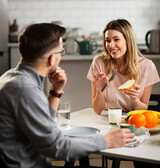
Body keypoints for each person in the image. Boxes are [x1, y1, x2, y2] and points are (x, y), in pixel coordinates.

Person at [0, 23, 134, 168]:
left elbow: (44, 122)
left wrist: (55, 91)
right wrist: (106, 141)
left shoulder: (13, 77)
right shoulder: (25, 89)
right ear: (52, 59)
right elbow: (58, 147)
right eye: (61, 52)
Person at [87, 19, 160, 115]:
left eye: (116, 39)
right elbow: (97, 110)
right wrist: (100, 91)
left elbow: (143, 109)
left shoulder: (147, 66)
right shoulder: (99, 62)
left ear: (128, 40)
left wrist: (135, 100)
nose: (111, 45)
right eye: (107, 41)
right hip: (105, 119)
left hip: (131, 119)